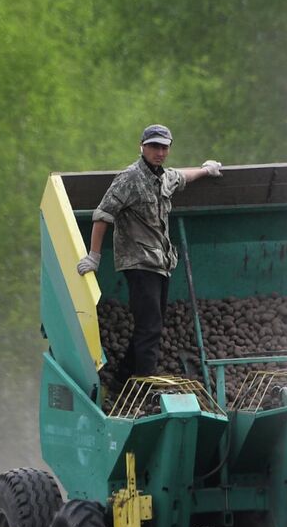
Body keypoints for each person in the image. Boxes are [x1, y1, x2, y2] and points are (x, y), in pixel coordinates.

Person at [78, 124, 221, 392]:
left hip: (160, 264)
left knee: (151, 324)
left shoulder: (162, 177)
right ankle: (145, 388)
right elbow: (102, 215)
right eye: (154, 146)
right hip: (139, 263)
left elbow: (181, 177)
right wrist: (94, 256)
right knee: (151, 326)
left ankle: (123, 380)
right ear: (142, 147)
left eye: (164, 147)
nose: (159, 152)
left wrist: (205, 170)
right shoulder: (129, 178)